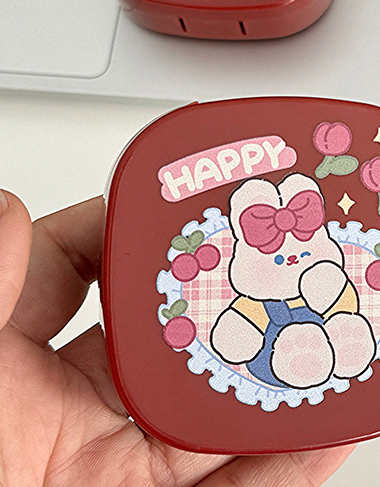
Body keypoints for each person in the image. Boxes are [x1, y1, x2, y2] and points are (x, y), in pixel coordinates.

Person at [0, 191, 353, 486]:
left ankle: (340, 340)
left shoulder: (324, 281)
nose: (289, 259)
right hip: (267, 357)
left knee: (334, 311)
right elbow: (236, 334)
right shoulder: (256, 301)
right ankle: (311, 350)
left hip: (307, 354)